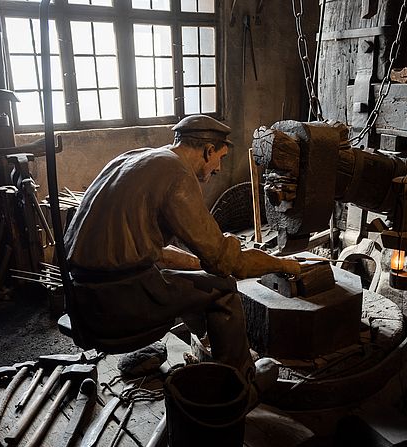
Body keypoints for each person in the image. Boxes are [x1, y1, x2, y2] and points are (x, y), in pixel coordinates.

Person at [64, 114, 301, 383]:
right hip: (117, 303)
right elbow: (228, 263)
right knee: (224, 290)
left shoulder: (133, 159)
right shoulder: (176, 174)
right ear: (208, 150)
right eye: (220, 159)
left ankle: (211, 348)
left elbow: (153, 252)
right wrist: (284, 264)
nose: (219, 169)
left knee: (198, 282)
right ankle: (240, 383)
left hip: (81, 298)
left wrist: (201, 264)